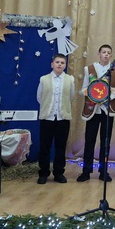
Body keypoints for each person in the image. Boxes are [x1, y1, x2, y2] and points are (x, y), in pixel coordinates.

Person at [77, 44, 115, 183]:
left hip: (107, 110)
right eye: (104, 52)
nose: (106, 54)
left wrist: (107, 96)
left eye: (109, 52)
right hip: (93, 109)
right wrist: (94, 96)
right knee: (89, 141)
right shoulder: (89, 69)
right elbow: (83, 89)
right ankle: (86, 171)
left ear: (111, 55)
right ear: (99, 54)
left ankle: (103, 171)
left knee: (105, 141)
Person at [36, 53, 75, 184]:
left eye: (62, 63)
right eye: (57, 62)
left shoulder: (70, 80)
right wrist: (48, 107)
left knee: (61, 147)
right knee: (44, 147)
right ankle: (43, 173)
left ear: (65, 65)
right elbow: (39, 97)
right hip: (47, 118)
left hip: (63, 118)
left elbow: (71, 97)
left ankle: (59, 173)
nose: (59, 64)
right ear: (52, 64)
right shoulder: (44, 79)